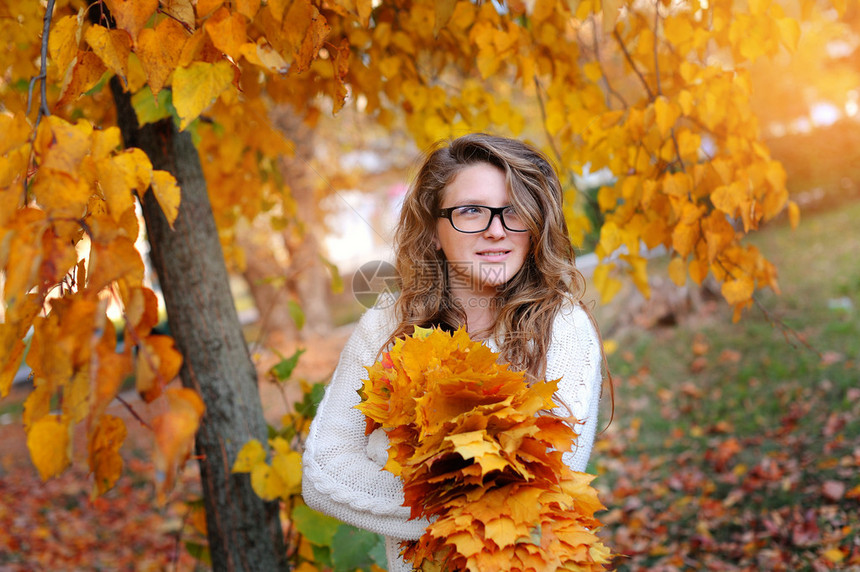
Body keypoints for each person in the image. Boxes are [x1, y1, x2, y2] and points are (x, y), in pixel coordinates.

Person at [302, 133, 609, 572]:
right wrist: (460, 493)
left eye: (514, 210)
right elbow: (325, 474)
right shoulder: (384, 329)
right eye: (470, 211)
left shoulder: (561, 326)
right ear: (432, 227)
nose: (497, 230)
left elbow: (539, 489)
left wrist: (382, 461)